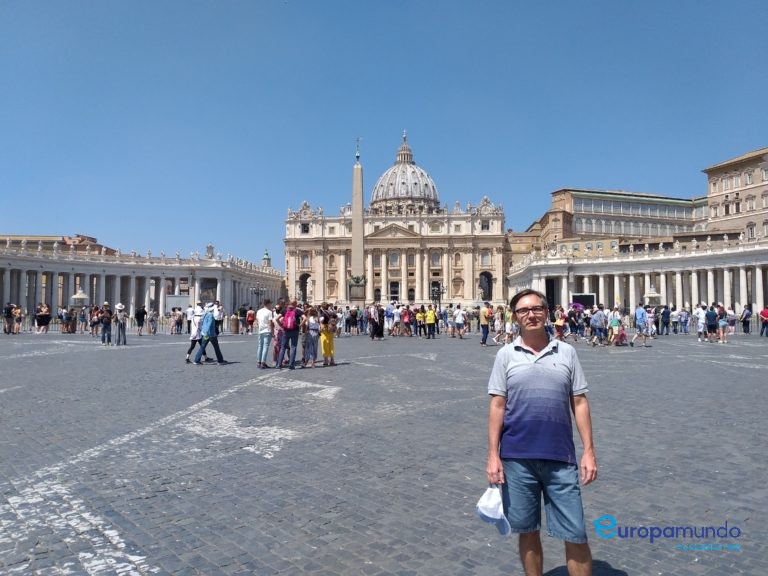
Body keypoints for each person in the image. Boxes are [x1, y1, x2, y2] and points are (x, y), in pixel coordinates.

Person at [486, 289, 597, 576]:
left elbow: (580, 402)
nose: (530, 314)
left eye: (536, 309)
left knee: (576, 532)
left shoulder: (567, 352)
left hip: (561, 457)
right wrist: (492, 456)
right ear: (515, 317)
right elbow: (497, 405)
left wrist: (589, 451)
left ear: (546, 313)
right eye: (523, 311)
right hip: (516, 458)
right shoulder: (505, 355)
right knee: (527, 530)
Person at [276, 299, 303, 369]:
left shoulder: (284, 310)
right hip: (295, 331)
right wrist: (300, 325)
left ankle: (279, 364)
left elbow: (276, 319)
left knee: (283, 348)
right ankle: (291, 365)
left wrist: (281, 326)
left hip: (286, 331)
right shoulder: (297, 311)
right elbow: (305, 318)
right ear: (296, 304)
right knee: (293, 347)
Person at [256, 299, 274, 368]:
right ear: (268, 304)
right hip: (267, 330)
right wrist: (272, 332)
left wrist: (260, 326)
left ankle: (258, 362)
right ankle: (263, 362)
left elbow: (257, 320)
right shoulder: (269, 312)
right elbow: (270, 323)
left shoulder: (259, 311)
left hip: (260, 331)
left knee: (260, 346)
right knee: (265, 347)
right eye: (270, 304)